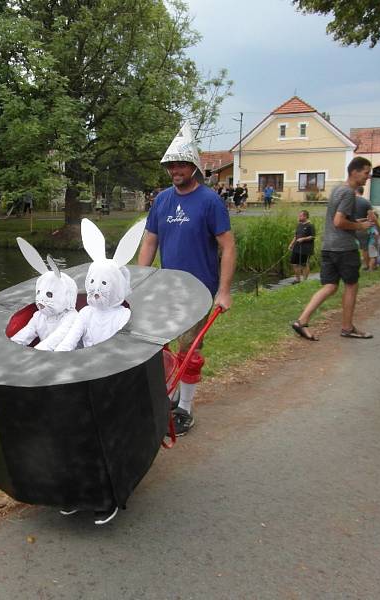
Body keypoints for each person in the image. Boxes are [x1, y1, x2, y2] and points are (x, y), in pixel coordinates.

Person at [138, 122, 236, 436]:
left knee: (188, 348)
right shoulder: (162, 200)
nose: (175, 170)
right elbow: (150, 240)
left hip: (199, 290)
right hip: (166, 288)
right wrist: (140, 280)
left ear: (193, 166)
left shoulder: (209, 201)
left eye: (181, 164)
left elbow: (228, 245)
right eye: (171, 165)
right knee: (160, 346)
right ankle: (166, 397)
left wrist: (223, 291)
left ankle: (185, 408)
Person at [291, 157, 375, 341]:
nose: (368, 177)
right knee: (351, 285)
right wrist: (361, 227)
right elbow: (339, 222)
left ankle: (302, 321)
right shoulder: (349, 193)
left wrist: (362, 222)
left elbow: (339, 219)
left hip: (328, 247)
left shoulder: (337, 189)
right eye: (366, 173)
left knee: (330, 286)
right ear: (354, 172)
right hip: (344, 248)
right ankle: (347, 327)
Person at [288, 210, 315, 282]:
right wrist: (291, 244)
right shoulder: (299, 225)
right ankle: (297, 280)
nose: (299, 217)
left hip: (306, 249)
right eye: (299, 215)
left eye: (300, 216)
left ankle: (304, 281)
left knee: (304, 265)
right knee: (294, 263)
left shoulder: (310, 225)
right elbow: (296, 236)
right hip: (296, 247)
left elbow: (312, 237)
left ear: (305, 216)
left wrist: (303, 239)